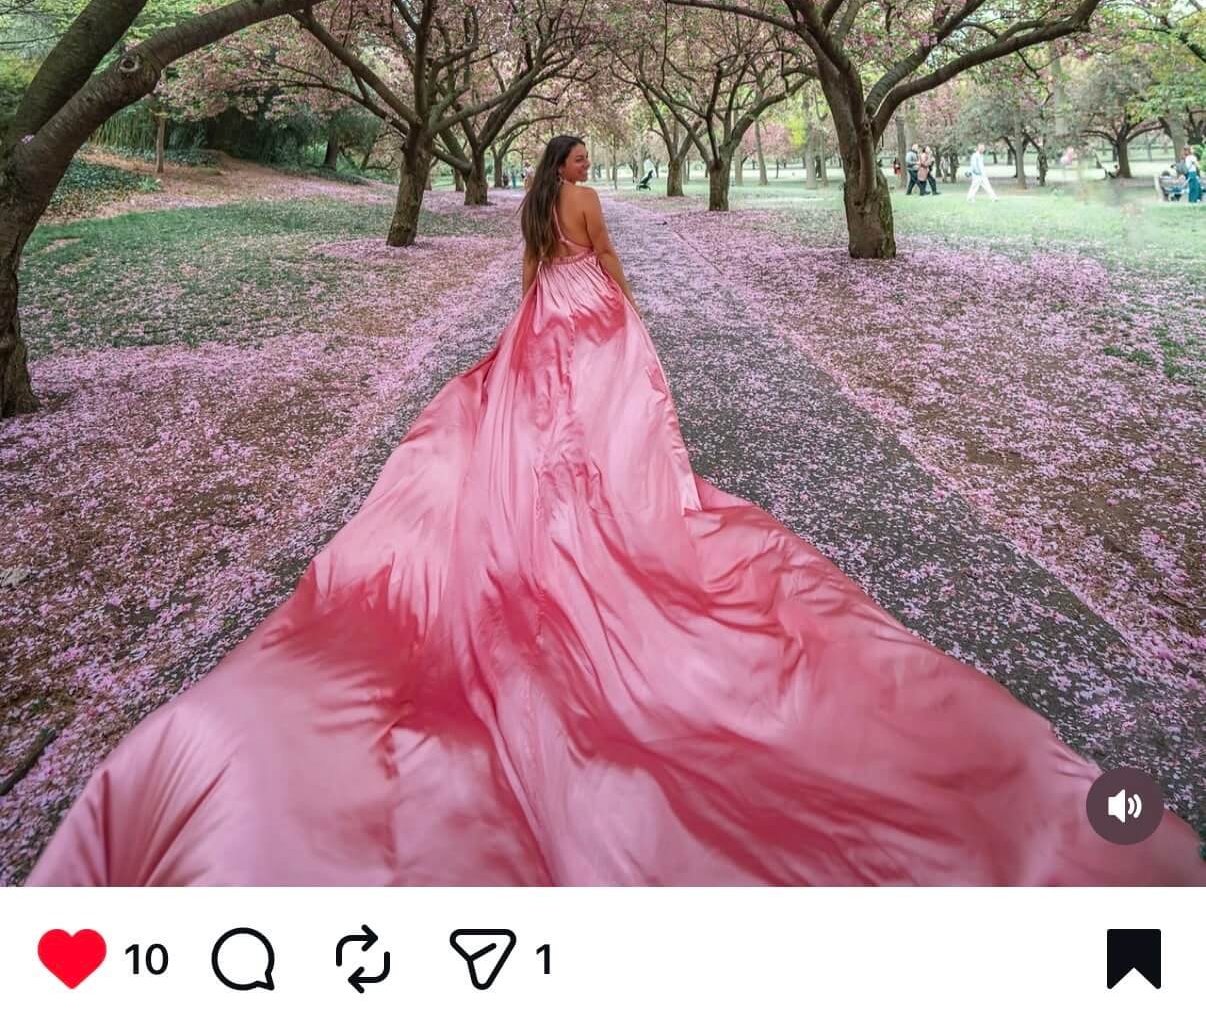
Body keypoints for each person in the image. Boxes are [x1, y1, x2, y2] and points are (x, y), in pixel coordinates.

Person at [27, 131, 1205, 887]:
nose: (589, 161)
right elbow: (602, 261)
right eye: (585, 150)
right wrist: (630, 312)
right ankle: (605, 491)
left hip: (544, 307)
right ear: (575, 161)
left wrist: (530, 318)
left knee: (545, 410)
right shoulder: (585, 201)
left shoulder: (535, 206)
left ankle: (572, 479)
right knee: (607, 407)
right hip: (589, 305)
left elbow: (533, 273)